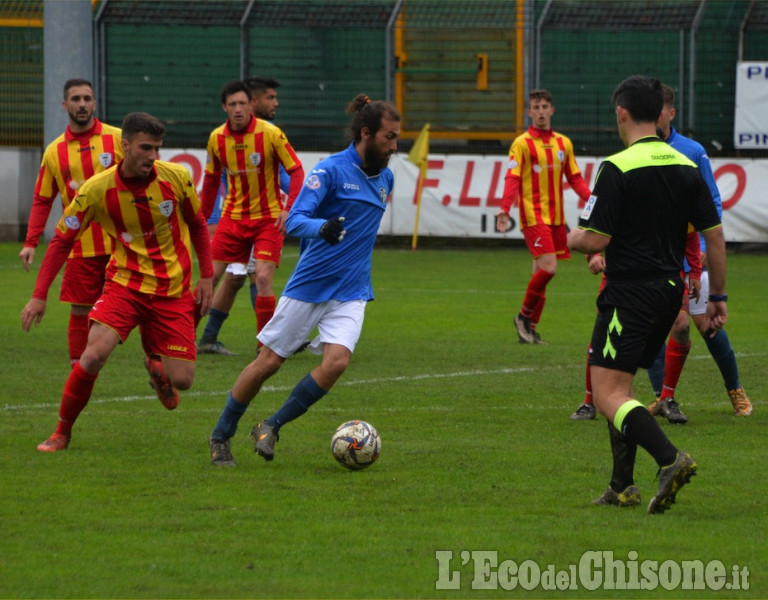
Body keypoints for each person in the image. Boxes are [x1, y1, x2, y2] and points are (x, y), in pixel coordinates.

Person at [208, 94, 400, 466]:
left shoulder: (385, 178)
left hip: (352, 291)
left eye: (396, 139)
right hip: (311, 286)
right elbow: (294, 219)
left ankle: (271, 425)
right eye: (388, 138)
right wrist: (321, 228)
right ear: (366, 134)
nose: (394, 147)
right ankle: (221, 435)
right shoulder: (329, 170)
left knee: (337, 363)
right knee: (268, 363)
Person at [567, 75, 726, 513]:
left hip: (630, 293)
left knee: (607, 395)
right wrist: (719, 296)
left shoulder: (617, 166)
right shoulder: (687, 165)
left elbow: (595, 239)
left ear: (621, 112)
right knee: (623, 388)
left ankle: (670, 459)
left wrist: (572, 238)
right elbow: (714, 236)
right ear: (660, 114)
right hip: (669, 292)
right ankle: (622, 486)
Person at [21, 112, 214, 452]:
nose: (153, 157)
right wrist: (39, 295)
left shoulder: (176, 177)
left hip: (171, 291)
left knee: (182, 381)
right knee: (92, 356)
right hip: (125, 285)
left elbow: (197, 224)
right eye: (146, 148)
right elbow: (62, 240)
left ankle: (157, 366)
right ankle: (61, 433)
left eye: (158, 149)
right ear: (125, 146)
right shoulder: (97, 189)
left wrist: (208, 276)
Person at [646, 84, 752, 419]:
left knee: (706, 325)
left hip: (690, 256)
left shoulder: (692, 151)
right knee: (655, 329)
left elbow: (712, 202)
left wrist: (704, 245)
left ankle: (736, 390)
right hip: (652, 259)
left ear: (671, 113)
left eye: (658, 110)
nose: (653, 116)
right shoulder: (638, 150)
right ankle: (663, 397)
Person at [19, 78, 122, 367]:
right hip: (80, 246)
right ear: (65, 105)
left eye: (87, 98)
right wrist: (30, 242)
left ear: (95, 103)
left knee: (138, 304)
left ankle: (157, 359)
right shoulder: (54, 151)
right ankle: (78, 368)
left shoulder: (117, 139)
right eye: (75, 99)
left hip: (121, 244)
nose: (82, 104)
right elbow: (42, 199)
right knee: (80, 310)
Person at [198, 80, 304, 356]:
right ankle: (181, 340)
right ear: (224, 107)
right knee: (212, 278)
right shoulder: (217, 139)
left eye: (242, 103)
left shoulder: (270, 134)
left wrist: (290, 207)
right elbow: (210, 182)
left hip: (267, 220)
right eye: (232, 104)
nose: (237, 109)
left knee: (262, 277)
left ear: (250, 105)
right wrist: (202, 219)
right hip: (231, 220)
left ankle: (265, 347)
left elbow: (294, 172)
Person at [495, 89, 592, 344]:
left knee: (540, 273)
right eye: (535, 107)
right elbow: (513, 178)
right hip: (533, 216)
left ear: (552, 110)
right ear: (529, 112)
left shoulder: (563, 143)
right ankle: (522, 317)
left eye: (544, 107)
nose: (540, 112)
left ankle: (529, 330)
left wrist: (593, 200)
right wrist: (505, 208)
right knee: (549, 268)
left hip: (556, 218)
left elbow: (574, 178)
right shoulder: (521, 144)